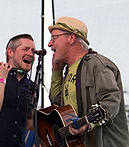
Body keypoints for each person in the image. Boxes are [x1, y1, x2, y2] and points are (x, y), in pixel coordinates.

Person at [48, 17, 129, 147]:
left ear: (71, 38)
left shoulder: (97, 64)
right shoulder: (68, 69)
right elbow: (57, 105)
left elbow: (112, 100)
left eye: (54, 38)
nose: (49, 44)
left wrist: (88, 123)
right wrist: (56, 72)